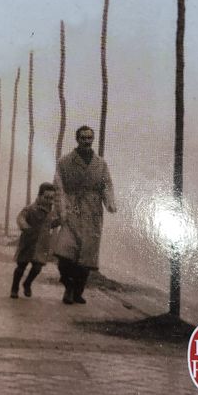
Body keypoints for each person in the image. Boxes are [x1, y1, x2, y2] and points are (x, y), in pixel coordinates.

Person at [54, 125, 116, 304]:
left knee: (87, 256)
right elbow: (58, 186)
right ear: (77, 139)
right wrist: (62, 209)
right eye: (83, 138)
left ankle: (78, 291)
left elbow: (106, 184)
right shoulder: (65, 161)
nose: (87, 141)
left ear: (93, 139)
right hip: (71, 210)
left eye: (89, 138)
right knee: (64, 253)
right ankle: (68, 285)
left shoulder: (100, 164)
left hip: (92, 212)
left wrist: (109, 202)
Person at [10, 182, 60, 299]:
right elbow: (21, 218)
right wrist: (25, 226)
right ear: (39, 196)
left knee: (37, 268)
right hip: (28, 242)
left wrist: (60, 221)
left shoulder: (51, 213)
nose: (49, 201)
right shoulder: (30, 209)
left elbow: (51, 224)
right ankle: (14, 288)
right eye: (46, 197)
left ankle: (27, 283)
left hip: (41, 244)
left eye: (51, 198)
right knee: (21, 266)